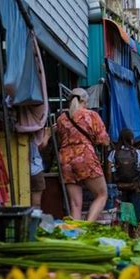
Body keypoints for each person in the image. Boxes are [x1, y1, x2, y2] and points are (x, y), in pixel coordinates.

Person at [57, 88, 110, 222]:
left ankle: (76, 236)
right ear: (85, 101)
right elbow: (103, 140)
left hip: (65, 160)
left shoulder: (61, 119)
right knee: (101, 195)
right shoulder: (91, 115)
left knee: (75, 204)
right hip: (84, 157)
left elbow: (60, 140)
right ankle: (87, 227)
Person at [108, 129, 140, 223]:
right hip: (135, 187)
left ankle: (124, 229)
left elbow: (109, 172)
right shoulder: (138, 153)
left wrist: (111, 185)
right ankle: (137, 233)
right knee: (137, 214)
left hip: (119, 188)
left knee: (122, 213)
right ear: (131, 140)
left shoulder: (113, 153)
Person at [30, 128, 51, 208]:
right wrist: (47, 135)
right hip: (35, 167)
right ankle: (35, 218)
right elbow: (42, 145)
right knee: (36, 202)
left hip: (32, 166)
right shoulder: (35, 127)